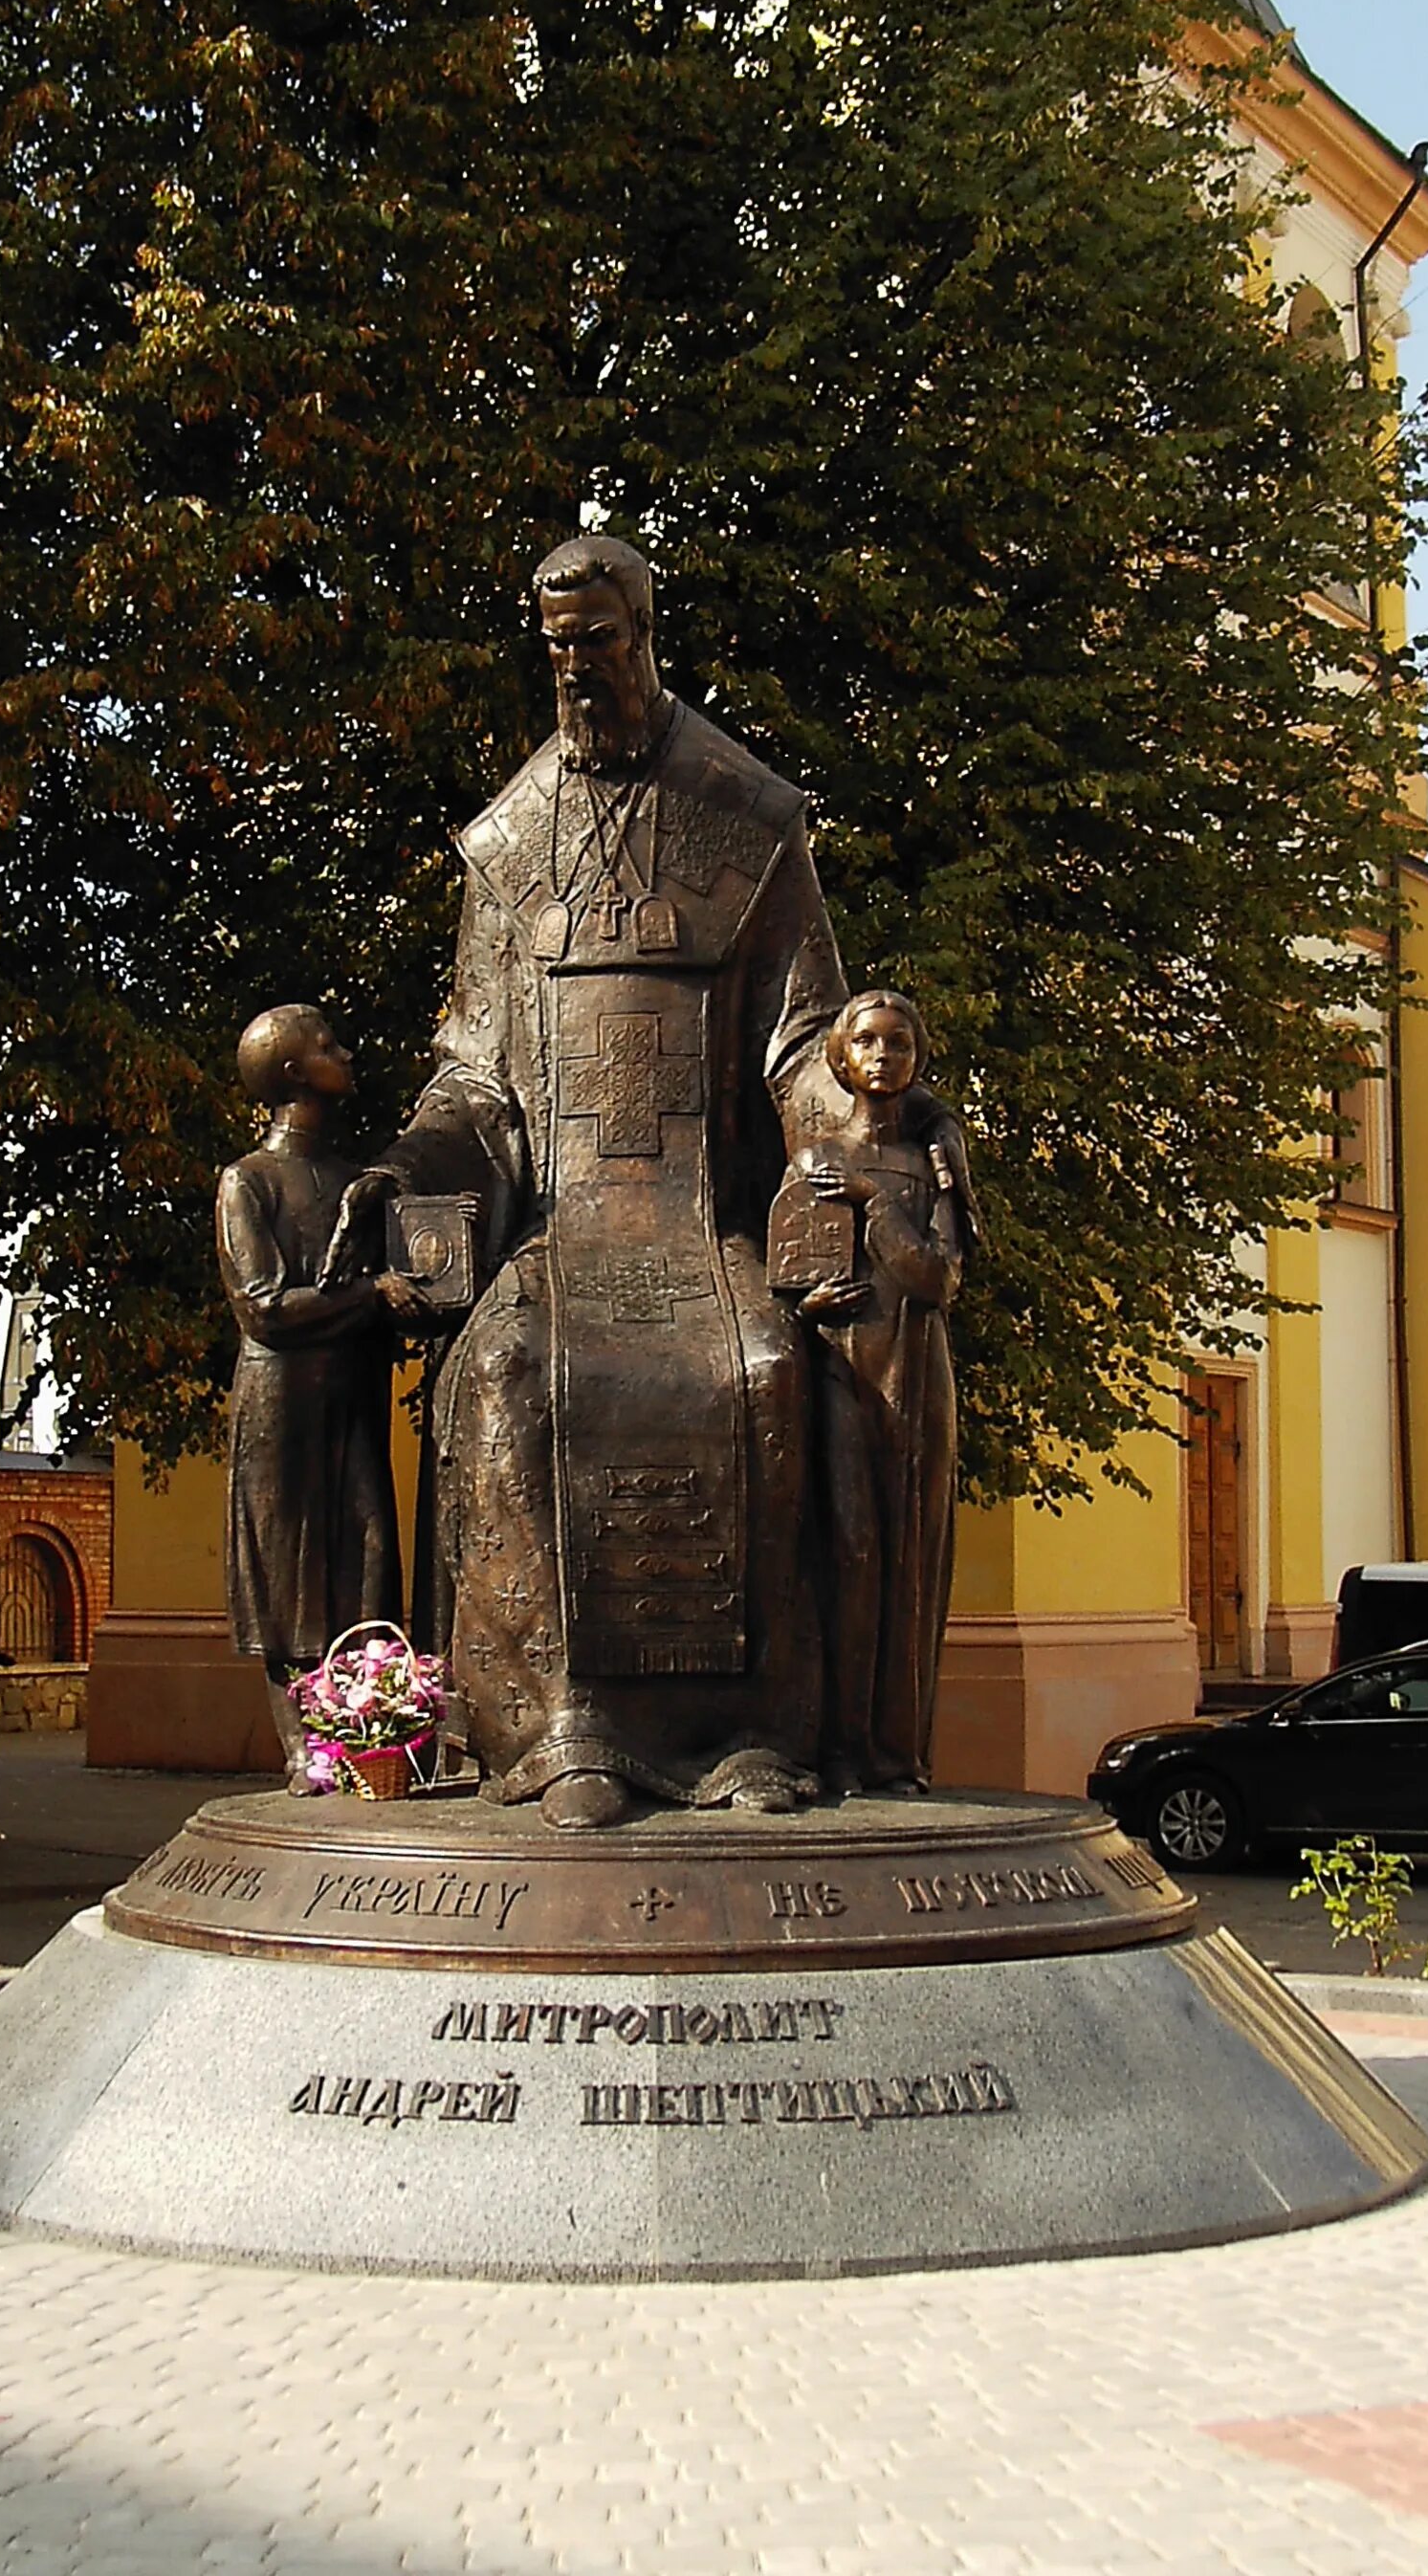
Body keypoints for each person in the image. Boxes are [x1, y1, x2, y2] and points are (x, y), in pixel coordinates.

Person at [329, 536, 848, 1827]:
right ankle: (562, 1732)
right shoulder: (508, 846)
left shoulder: (748, 815)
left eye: (597, 640)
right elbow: (474, 1076)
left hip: (695, 1225)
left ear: (645, 631)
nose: (575, 669)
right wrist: (407, 1159)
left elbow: (805, 1042)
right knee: (505, 1368)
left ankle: (744, 1736)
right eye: (553, 644)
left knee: (764, 1371)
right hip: (561, 1226)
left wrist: (834, 1151)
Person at [216, 1004, 403, 1789]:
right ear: (292, 1074)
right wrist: (371, 1295)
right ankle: (305, 1752)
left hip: (349, 1395)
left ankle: (373, 1737)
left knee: (366, 1558)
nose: (347, 1052)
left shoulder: (352, 1180)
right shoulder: (247, 1182)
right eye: (327, 1046)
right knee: (289, 1575)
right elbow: (263, 1306)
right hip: (280, 1404)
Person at [798, 991, 970, 1793]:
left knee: (908, 1556)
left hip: (914, 1370)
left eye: (899, 1043)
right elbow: (787, 1261)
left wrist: (876, 1204)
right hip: (839, 1367)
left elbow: (937, 1277)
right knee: (844, 1551)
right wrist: (799, 1305)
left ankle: (897, 1755)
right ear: (841, 1055)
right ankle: (832, 1744)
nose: (882, 1056)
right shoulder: (813, 1157)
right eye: (866, 1041)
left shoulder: (934, 1166)